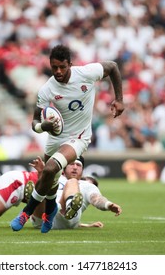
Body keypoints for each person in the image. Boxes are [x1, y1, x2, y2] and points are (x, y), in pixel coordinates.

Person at [10, 44, 124, 233]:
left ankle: (26, 212)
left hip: (78, 138)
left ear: (70, 64)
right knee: (50, 180)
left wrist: (119, 99)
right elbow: (35, 122)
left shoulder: (87, 73)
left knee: (51, 167)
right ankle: (51, 209)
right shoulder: (47, 89)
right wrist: (42, 127)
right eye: (54, 67)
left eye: (62, 67)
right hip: (56, 136)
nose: (58, 71)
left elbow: (112, 66)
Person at [30, 174, 122, 230]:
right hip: (41, 217)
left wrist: (108, 205)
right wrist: (86, 225)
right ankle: (29, 196)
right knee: (44, 184)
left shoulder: (86, 185)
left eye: (78, 165)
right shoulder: (58, 178)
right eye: (72, 164)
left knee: (72, 182)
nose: (74, 167)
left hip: (63, 215)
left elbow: (96, 199)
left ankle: (69, 206)